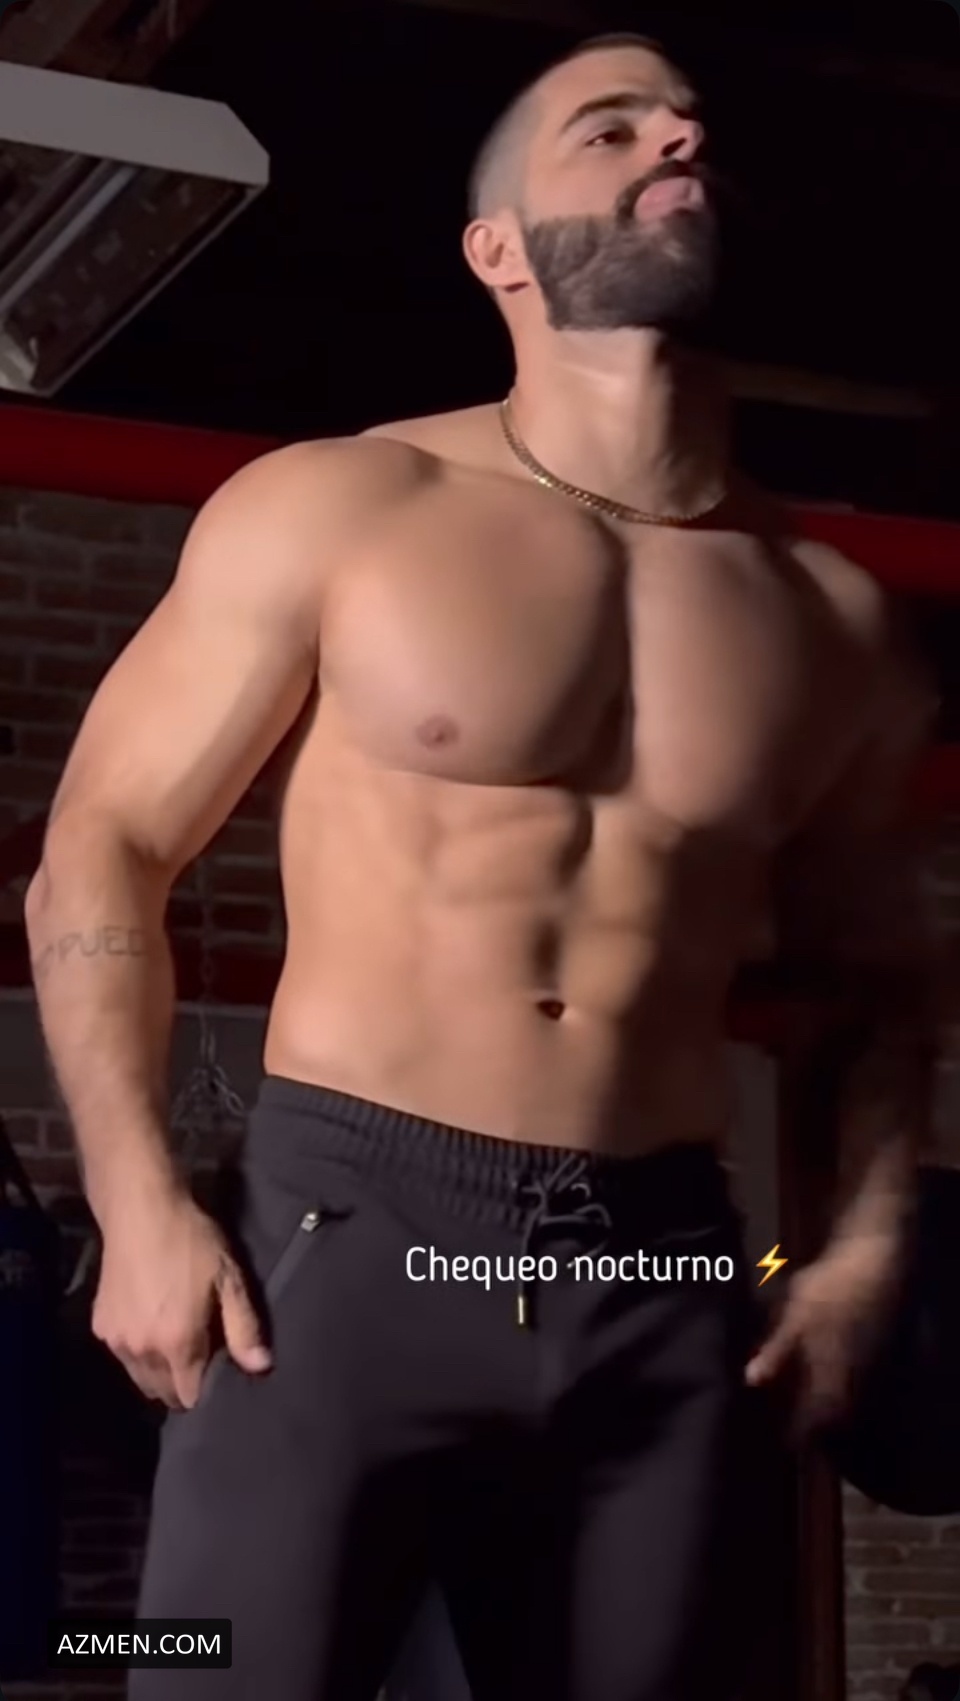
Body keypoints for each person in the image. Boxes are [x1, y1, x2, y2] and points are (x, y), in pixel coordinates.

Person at [25, 30, 938, 1701]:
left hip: (660, 1254)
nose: (675, 139)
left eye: (689, 125)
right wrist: (138, 1205)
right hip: (345, 1234)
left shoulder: (834, 616)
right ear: (498, 248)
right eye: (611, 128)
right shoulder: (339, 504)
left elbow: (877, 981)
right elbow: (106, 843)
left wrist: (865, 1244)